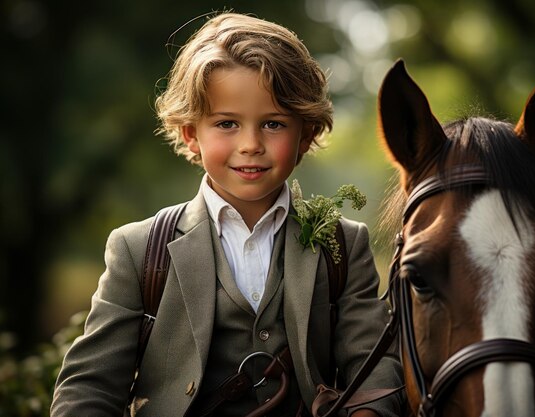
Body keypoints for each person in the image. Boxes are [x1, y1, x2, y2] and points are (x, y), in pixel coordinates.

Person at [51, 12, 403, 417]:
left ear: (305, 134)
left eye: (273, 124)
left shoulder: (342, 243)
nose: (250, 144)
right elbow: (89, 388)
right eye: (227, 124)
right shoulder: (139, 250)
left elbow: (373, 368)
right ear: (190, 133)